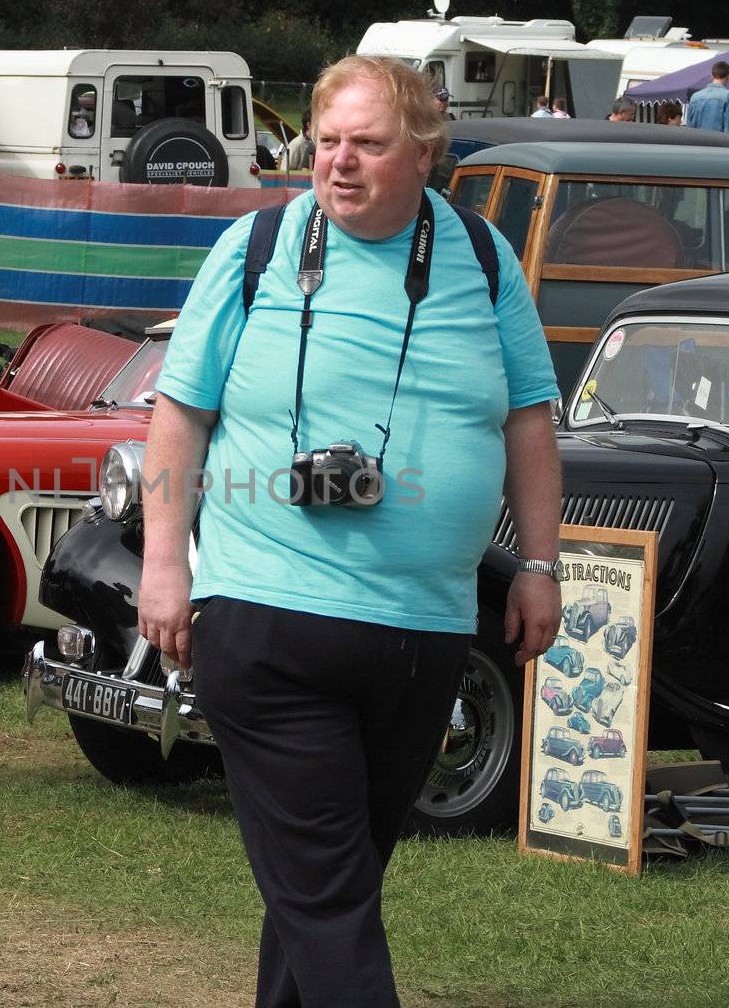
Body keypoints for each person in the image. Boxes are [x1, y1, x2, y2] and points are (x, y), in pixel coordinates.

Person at [137, 55, 563, 1008]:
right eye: (326, 142)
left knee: (330, 883)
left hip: (423, 633)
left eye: (368, 144)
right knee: (331, 899)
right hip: (267, 617)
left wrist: (540, 564)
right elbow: (180, 411)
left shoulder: (484, 258)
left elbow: (530, 418)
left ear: (424, 154)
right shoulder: (256, 248)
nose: (340, 163)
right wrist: (165, 562)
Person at [684, 60, 729, 134]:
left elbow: (689, 127)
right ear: (728, 77)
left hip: (697, 142)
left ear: (712, 75)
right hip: (718, 143)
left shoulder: (695, 97)